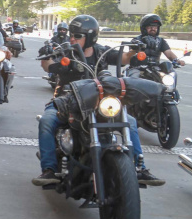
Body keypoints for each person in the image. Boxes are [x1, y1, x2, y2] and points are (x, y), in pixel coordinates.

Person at [32, 14, 164, 187]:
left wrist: (134, 49)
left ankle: (139, 168)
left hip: (99, 100)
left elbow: (124, 58)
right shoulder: (66, 52)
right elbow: (48, 66)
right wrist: (46, 55)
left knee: (130, 122)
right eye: (72, 34)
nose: (72, 38)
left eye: (77, 35)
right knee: (47, 121)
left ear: (90, 37)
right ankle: (49, 169)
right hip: (67, 99)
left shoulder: (102, 52)